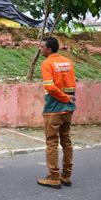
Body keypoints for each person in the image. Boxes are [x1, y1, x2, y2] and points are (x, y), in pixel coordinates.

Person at [37, 37, 76, 189]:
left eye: (42, 47)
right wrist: (68, 99)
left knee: (52, 141)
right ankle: (66, 176)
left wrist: (64, 97)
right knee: (66, 140)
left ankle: (54, 177)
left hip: (54, 109)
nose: (40, 49)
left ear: (49, 50)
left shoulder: (47, 63)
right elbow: (72, 84)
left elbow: (51, 88)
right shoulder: (68, 62)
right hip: (68, 108)